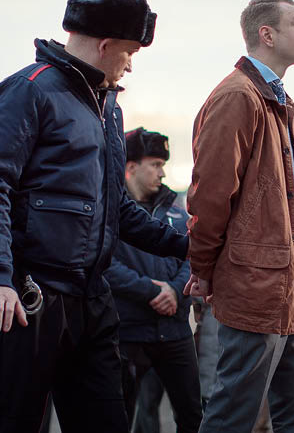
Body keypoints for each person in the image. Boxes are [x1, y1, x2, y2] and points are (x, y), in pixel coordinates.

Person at [0, 0, 188, 432]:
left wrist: (190, 247)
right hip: (31, 297)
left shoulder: (109, 109)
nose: (130, 65)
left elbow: (117, 207)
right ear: (105, 45)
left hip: (94, 300)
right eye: (130, 53)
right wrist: (1, 278)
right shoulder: (28, 90)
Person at [184, 0, 294, 432]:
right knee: (234, 414)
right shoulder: (237, 96)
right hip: (256, 283)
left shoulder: (275, 98)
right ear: (267, 34)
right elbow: (209, 196)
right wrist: (203, 268)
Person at [104, 127, 202, 432]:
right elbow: (105, 264)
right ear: (131, 167)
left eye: (163, 165)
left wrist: (174, 290)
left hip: (175, 331)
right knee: (122, 416)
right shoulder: (110, 213)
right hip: (128, 333)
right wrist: (148, 290)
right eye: (155, 164)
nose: (162, 172)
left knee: (194, 416)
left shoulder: (177, 211)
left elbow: (192, 258)